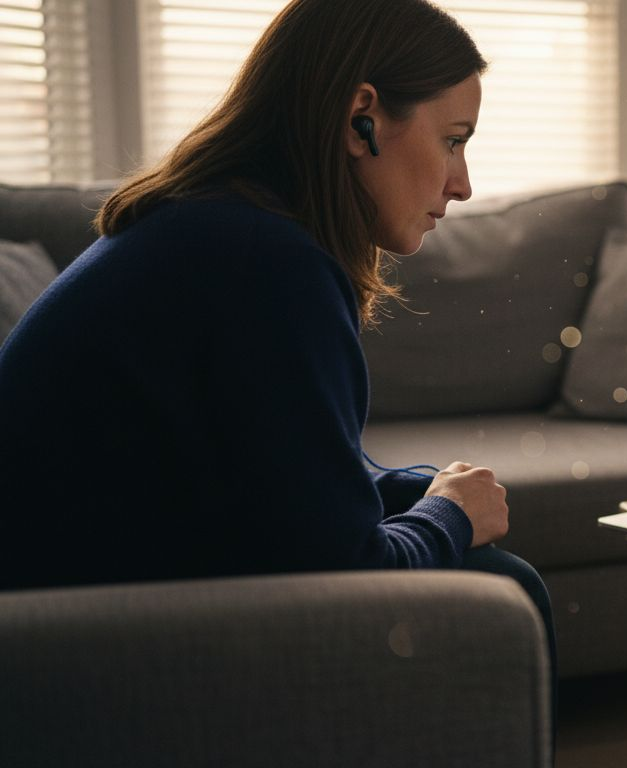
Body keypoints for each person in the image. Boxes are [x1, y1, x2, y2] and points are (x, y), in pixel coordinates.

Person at [0, 0, 554, 666]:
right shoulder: (266, 263)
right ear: (363, 119)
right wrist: (451, 516)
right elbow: (350, 571)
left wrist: (424, 492)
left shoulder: (212, 228)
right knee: (504, 585)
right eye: (453, 139)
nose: (462, 184)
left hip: (84, 591)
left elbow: (279, 488)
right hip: (68, 643)